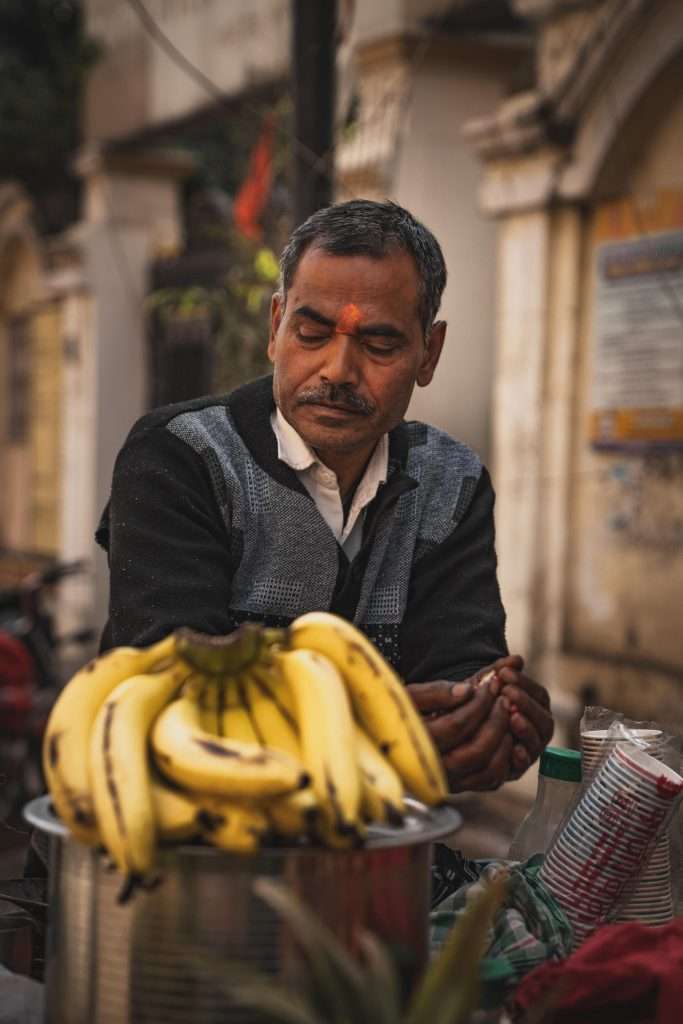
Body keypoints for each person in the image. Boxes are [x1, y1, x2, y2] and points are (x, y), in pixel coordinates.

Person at [96, 199, 553, 795]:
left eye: (380, 344)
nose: (337, 370)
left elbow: (456, 670)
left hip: (363, 857)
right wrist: (375, 735)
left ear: (429, 354)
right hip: (182, 842)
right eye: (311, 333)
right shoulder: (181, 456)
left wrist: (491, 717)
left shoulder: (452, 482)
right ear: (275, 326)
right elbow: (170, 691)